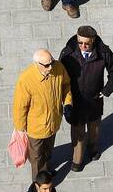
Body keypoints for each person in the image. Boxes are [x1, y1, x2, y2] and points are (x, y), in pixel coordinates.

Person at [59, 26, 113, 170]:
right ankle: (77, 160)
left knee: (94, 129)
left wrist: (106, 91)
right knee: (78, 133)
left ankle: (92, 148)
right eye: (80, 43)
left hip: (94, 100)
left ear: (93, 40)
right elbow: (59, 75)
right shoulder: (68, 53)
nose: (83, 46)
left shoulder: (104, 53)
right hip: (76, 101)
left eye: (86, 43)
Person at [12, 49, 72, 178]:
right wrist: (20, 128)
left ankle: (46, 168)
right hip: (36, 128)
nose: (50, 67)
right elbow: (19, 107)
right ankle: (38, 184)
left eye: (52, 63)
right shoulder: (26, 79)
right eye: (46, 65)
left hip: (53, 122)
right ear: (36, 64)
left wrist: (67, 103)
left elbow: (66, 86)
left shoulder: (58, 68)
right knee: (36, 157)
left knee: (48, 151)